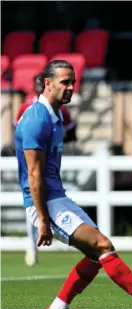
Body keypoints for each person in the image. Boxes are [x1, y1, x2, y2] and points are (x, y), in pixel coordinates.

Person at [14, 60, 132, 309]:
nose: (71, 87)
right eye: (65, 82)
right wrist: (43, 220)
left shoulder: (55, 114)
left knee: (97, 254)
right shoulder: (36, 119)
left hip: (56, 198)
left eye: (73, 82)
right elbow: (33, 175)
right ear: (46, 83)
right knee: (102, 246)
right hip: (47, 203)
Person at [15, 73, 77, 267]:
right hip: (38, 162)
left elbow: (71, 130)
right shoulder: (31, 108)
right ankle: (34, 244)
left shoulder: (54, 109)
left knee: (36, 203)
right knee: (35, 202)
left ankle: (35, 243)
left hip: (45, 160)